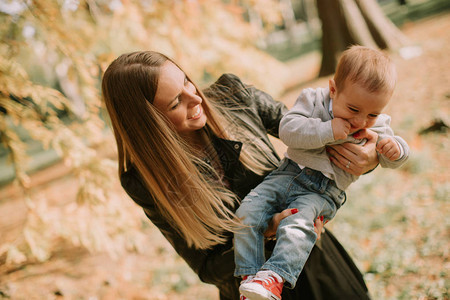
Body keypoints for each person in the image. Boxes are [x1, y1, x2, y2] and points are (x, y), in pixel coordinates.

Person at [101, 50, 379, 300]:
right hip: (248, 292)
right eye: (176, 102)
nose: (196, 97)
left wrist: (369, 156)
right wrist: (266, 231)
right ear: (149, 123)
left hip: (317, 267)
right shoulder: (142, 181)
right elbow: (207, 267)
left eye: (186, 81)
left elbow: (312, 132)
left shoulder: (234, 96)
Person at [234, 46, 410, 300]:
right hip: (287, 174)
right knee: (247, 212)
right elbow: (288, 130)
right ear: (333, 89)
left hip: (322, 191)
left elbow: (391, 153)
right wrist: (328, 129)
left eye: (373, 114)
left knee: (297, 224)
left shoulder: (378, 124)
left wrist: (395, 150)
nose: (361, 121)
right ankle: (250, 280)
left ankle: (275, 277)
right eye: (353, 109)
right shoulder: (313, 100)